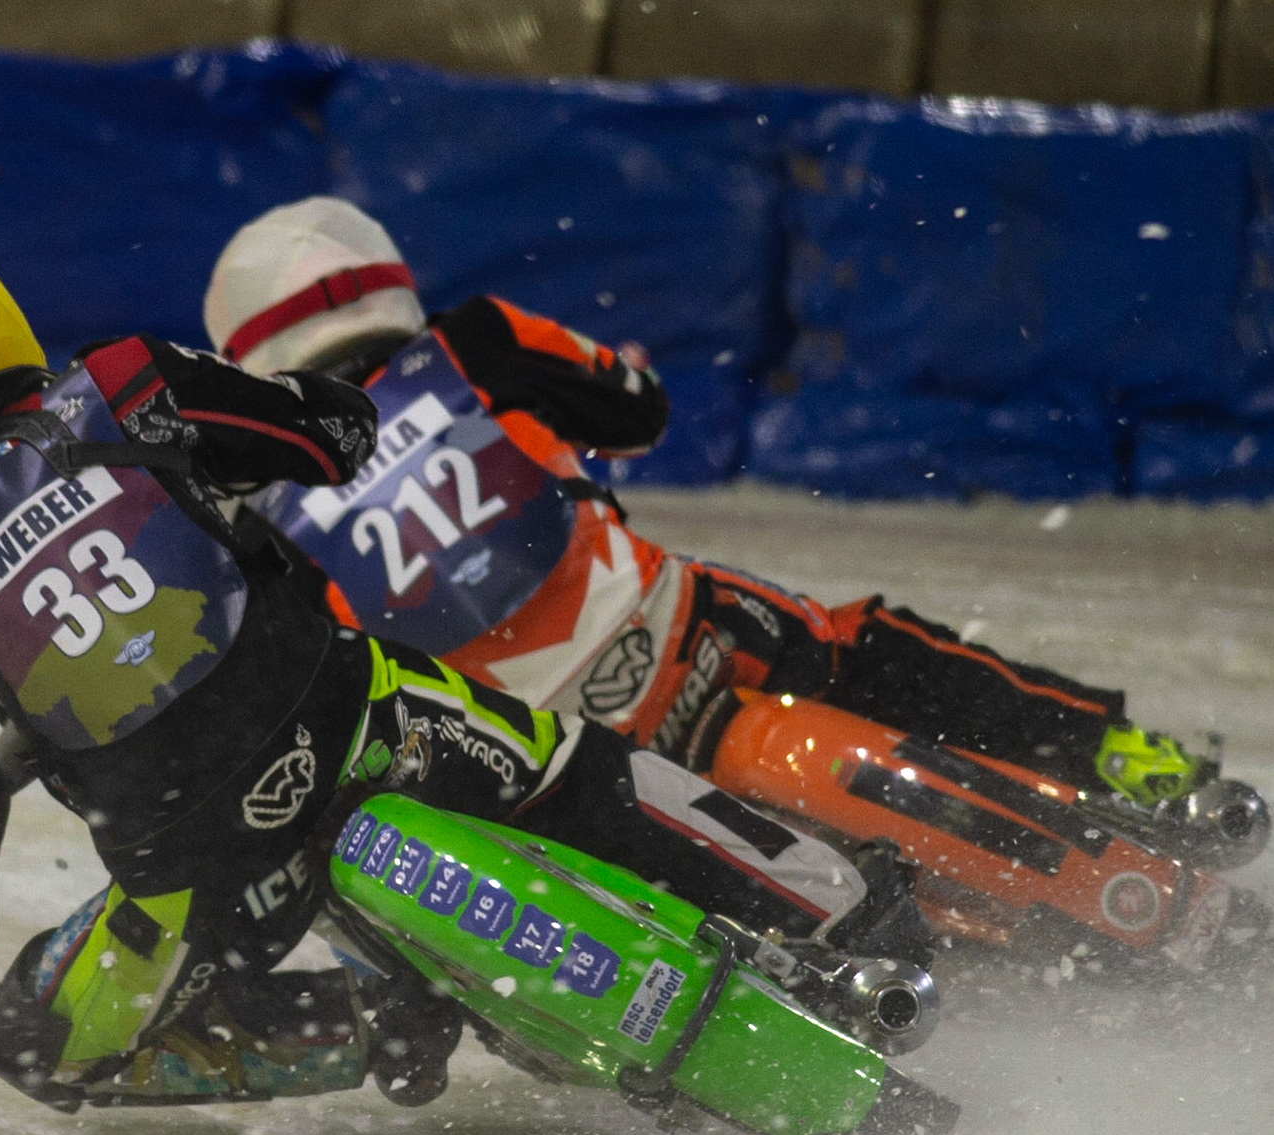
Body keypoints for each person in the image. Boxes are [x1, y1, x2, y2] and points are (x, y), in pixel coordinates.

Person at [0, 245, 930, 1117]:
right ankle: (847, 903)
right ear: (2, 323)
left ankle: (378, 1019)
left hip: (202, 876)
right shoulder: (116, 389)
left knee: (26, 1037)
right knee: (578, 773)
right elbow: (331, 430)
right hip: (364, 722)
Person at [203, 196, 1210, 816]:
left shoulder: (266, 513)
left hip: (532, 754)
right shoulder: (478, 338)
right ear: (381, 280)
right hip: (677, 628)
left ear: (253, 349)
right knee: (859, 643)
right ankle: (1109, 750)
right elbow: (637, 412)